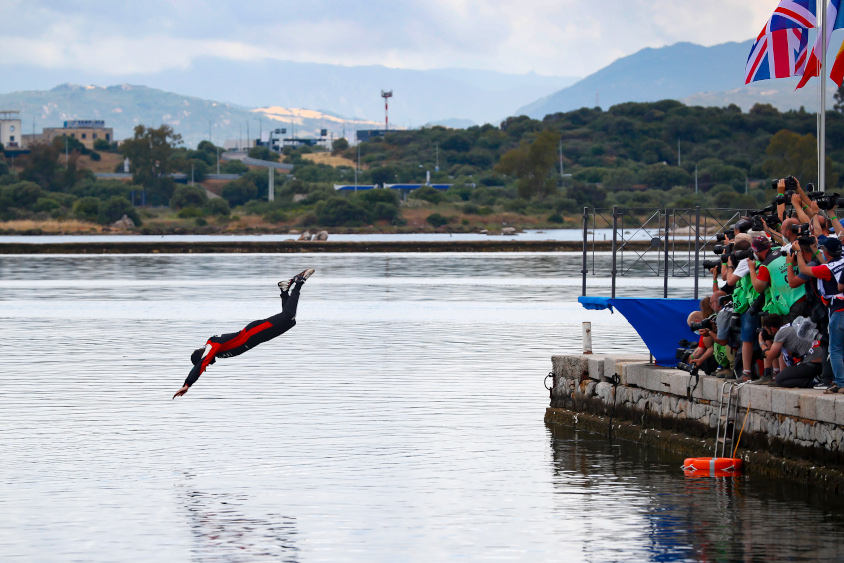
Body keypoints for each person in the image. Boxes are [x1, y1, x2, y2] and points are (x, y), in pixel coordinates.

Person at [172, 269, 315, 398]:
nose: (208, 365)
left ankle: (299, 282)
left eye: (206, 363)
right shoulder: (213, 351)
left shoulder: (211, 346)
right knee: (290, 321)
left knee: (288, 315)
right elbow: (198, 366)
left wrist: (187, 384)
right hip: (260, 337)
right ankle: (284, 290)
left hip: (255, 331)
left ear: (202, 356)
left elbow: (200, 365)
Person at [795, 237, 844, 393]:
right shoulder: (842, 260)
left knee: (835, 349)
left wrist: (797, 253)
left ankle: (840, 383)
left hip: (838, 312)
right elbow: (827, 262)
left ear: (827, 252)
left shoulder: (826, 270)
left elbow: (804, 270)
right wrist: (816, 248)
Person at [758, 314, 824, 388]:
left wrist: (761, 342)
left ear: (772, 329)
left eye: (767, 331)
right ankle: (818, 378)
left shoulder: (781, 333)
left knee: (779, 380)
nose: (767, 333)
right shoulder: (791, 326)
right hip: (821, 362)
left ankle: (812, 382)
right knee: (787, 374)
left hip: (811, 364)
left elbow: (770, 356)